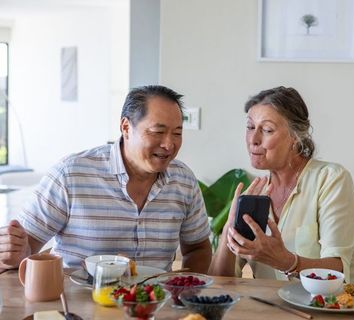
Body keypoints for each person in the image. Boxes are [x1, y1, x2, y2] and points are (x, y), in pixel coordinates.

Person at [0, 85, 212, 273]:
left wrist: (182, 290)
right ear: (126, 128)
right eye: (158, 131)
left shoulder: (183, 181)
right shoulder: (71, 175)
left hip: (152, 307)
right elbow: (26, 248)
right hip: (77, 309)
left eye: (177, 133)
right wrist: (15, 252)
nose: (169, 144)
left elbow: (197, 248)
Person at [209, 86, 354, 284]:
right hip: (285, 308)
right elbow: (219, 282)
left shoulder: (330, 179)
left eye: (267, 130)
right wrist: (228, 230)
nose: (254, 139)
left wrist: (285, 261)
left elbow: (338, 270)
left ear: (295, 137)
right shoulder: (254, 193)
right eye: (250, 127)